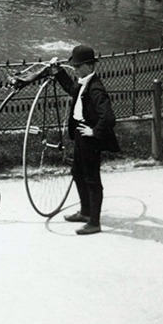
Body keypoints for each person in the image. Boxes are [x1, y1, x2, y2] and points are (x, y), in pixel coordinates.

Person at [48, 45, 121, 235]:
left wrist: (94, 132)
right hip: (81, 135)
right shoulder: (83, 82)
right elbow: (71, 89)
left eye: (78, 66)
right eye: (74, 66)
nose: (76, 69)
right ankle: (85, 212)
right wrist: (58, 72)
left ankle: (94, 223)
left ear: (90, 66)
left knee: (92, 179)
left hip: (90, 139)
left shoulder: (96, 89)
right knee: (77, 173)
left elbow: (109, 118)